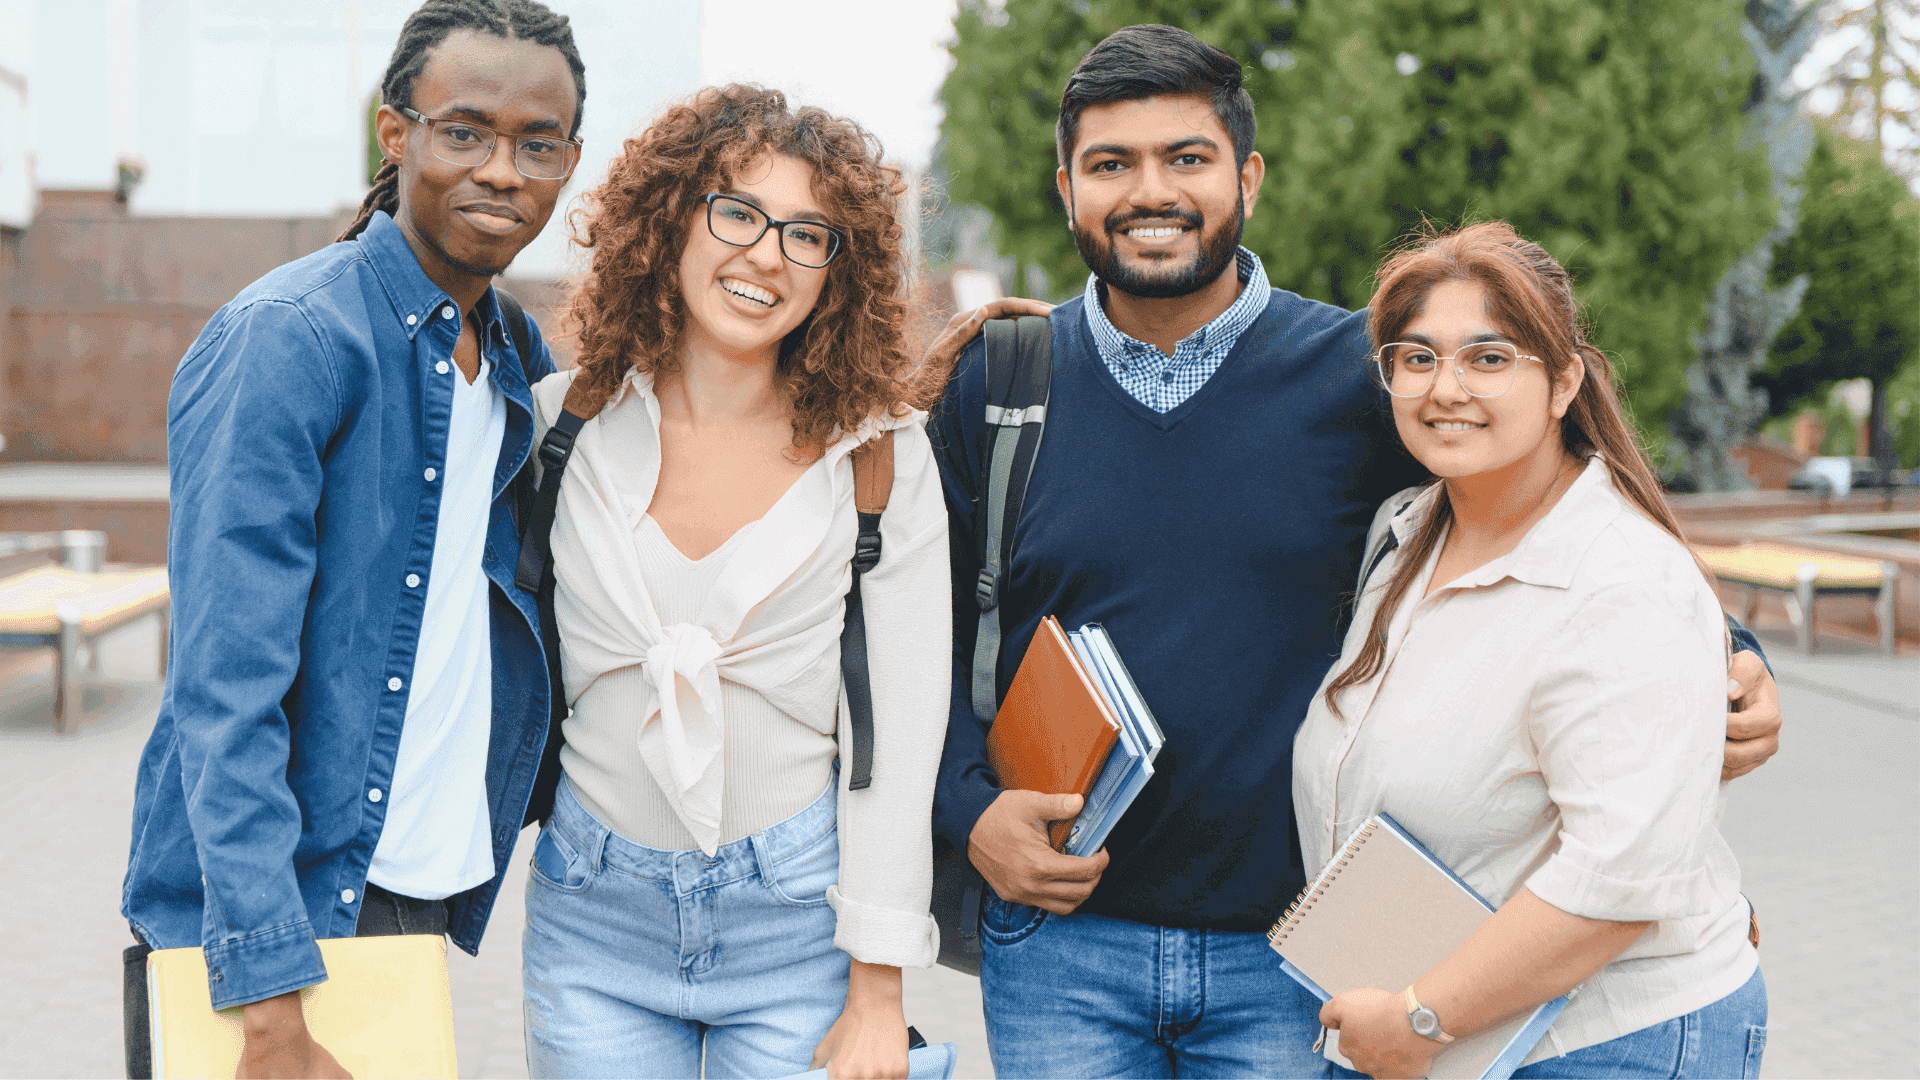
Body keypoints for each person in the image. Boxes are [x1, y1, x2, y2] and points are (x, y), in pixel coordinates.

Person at [927, 24, 1785, 1079]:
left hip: (1302, 960)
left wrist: (1730, 650)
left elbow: (1545, 504)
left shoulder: (1367, 375)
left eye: (1185, 159)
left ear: (1246, 177)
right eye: (1112, 164)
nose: (1150, 190)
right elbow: (898, 634)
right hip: (1060, 951)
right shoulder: (1004, 386)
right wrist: (969, 812)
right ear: (1068, 189)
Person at [119, 2, 584, 1076]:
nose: (503, 171)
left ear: (570, 161)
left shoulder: (513, 349)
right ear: (396, 134)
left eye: (537, 144)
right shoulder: (292, 338)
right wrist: (270, 990)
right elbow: (222, 689)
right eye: (464, 131)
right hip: (279, 922)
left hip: (412, 885)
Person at [517, 85, 949, 1079]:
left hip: (800, 922)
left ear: (840, 273)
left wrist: (879, 991)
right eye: (739, 212)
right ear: (670, 219)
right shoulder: (561, 425)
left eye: (809, 235)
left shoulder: (882, 459)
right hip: (593, 917)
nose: (766, 255)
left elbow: (903, 737)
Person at [1300, 221, 1765, 1079]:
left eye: (1489, 357)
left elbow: (1620, 883)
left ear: (1562, 384)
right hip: (1438, 1029)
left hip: (1600, 1044)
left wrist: (1421, 1018)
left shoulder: (1623, 586)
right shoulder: (1403, 535)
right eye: (1417, 357)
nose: (1447, 388)